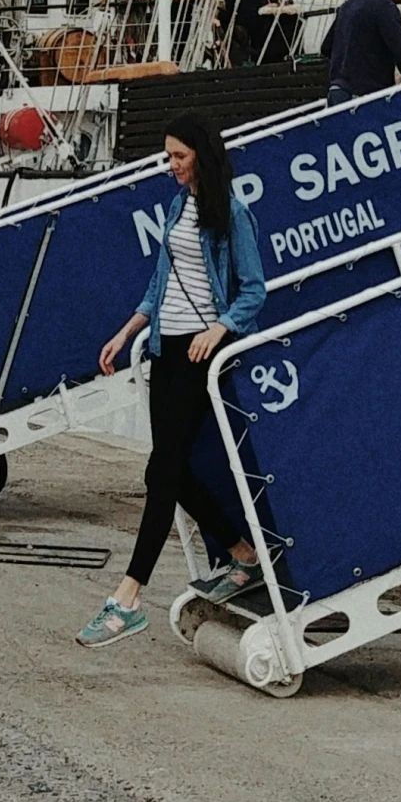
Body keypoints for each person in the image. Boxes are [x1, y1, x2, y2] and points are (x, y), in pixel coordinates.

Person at [77, 114, 266, 645]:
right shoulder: (179, 205)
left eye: (178, 157)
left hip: (199, 352)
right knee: (170, 472)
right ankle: (241, 553)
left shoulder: (231, 212)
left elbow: (254, 290)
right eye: (167, 157)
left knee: (162, 473)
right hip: (165, 346)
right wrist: (125, 331)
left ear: (202, 155)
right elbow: (161, 283)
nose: (172, 167)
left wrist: (221, 327)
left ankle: (127, 596)